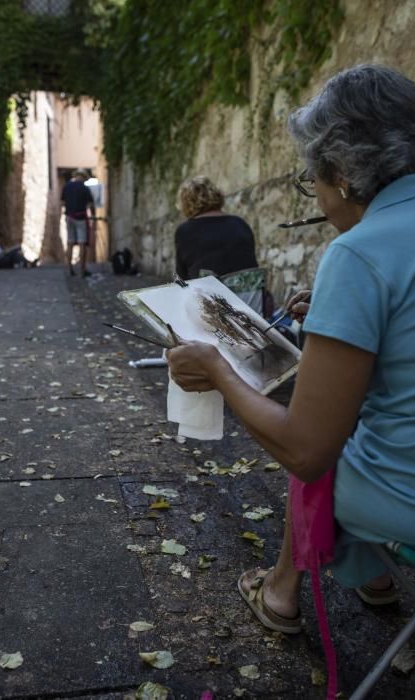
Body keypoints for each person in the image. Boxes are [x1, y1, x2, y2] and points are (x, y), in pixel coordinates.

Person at [167, 64, 415, 635]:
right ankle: (371, 582)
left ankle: (285, 592)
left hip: (402, 499)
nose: (321, 201)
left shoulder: (359, 253)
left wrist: (219, 372)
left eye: (314, 181)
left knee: (314, 438)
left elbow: (306, 450)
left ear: (345, 173)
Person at [175, 176, 258, 280]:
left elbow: (182, 276)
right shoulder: (240, 224)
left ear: (186, 203)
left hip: (207, 295)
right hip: (250, 295)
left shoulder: (185, 231)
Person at [61, 169, 95, 278]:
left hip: (69, 216)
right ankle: (82, 270)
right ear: (84, 177)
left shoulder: (67, 186)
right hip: (80, 217)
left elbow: (62, 202)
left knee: (70, 242)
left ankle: (70, 268)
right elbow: (89, 204)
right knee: (82, 243)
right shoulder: (85, 188)